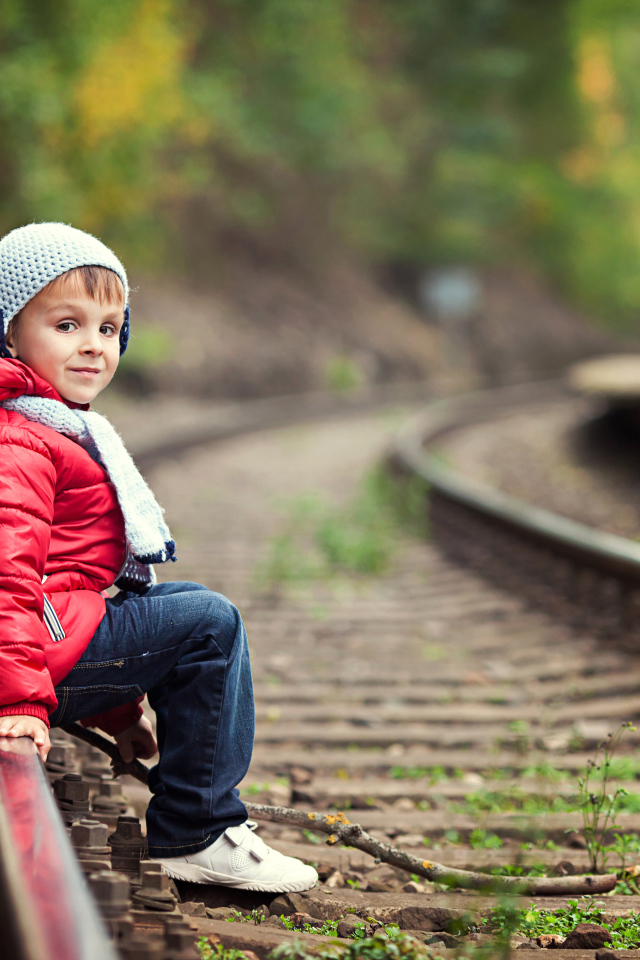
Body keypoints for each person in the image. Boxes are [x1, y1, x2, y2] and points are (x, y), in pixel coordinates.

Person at [0, 222, 317, 893]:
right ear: (8, 331)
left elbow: (67, 594)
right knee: (209, 622)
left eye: (110, 328)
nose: (94, 345)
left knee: (179, 607)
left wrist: (116, 710)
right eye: (66, 324)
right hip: (19, 659)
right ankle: (197, 830)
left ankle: (195, 816)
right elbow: (8, 580)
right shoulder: (21, 441)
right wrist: (21, 702)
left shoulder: (43, 421)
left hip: (42, 640)